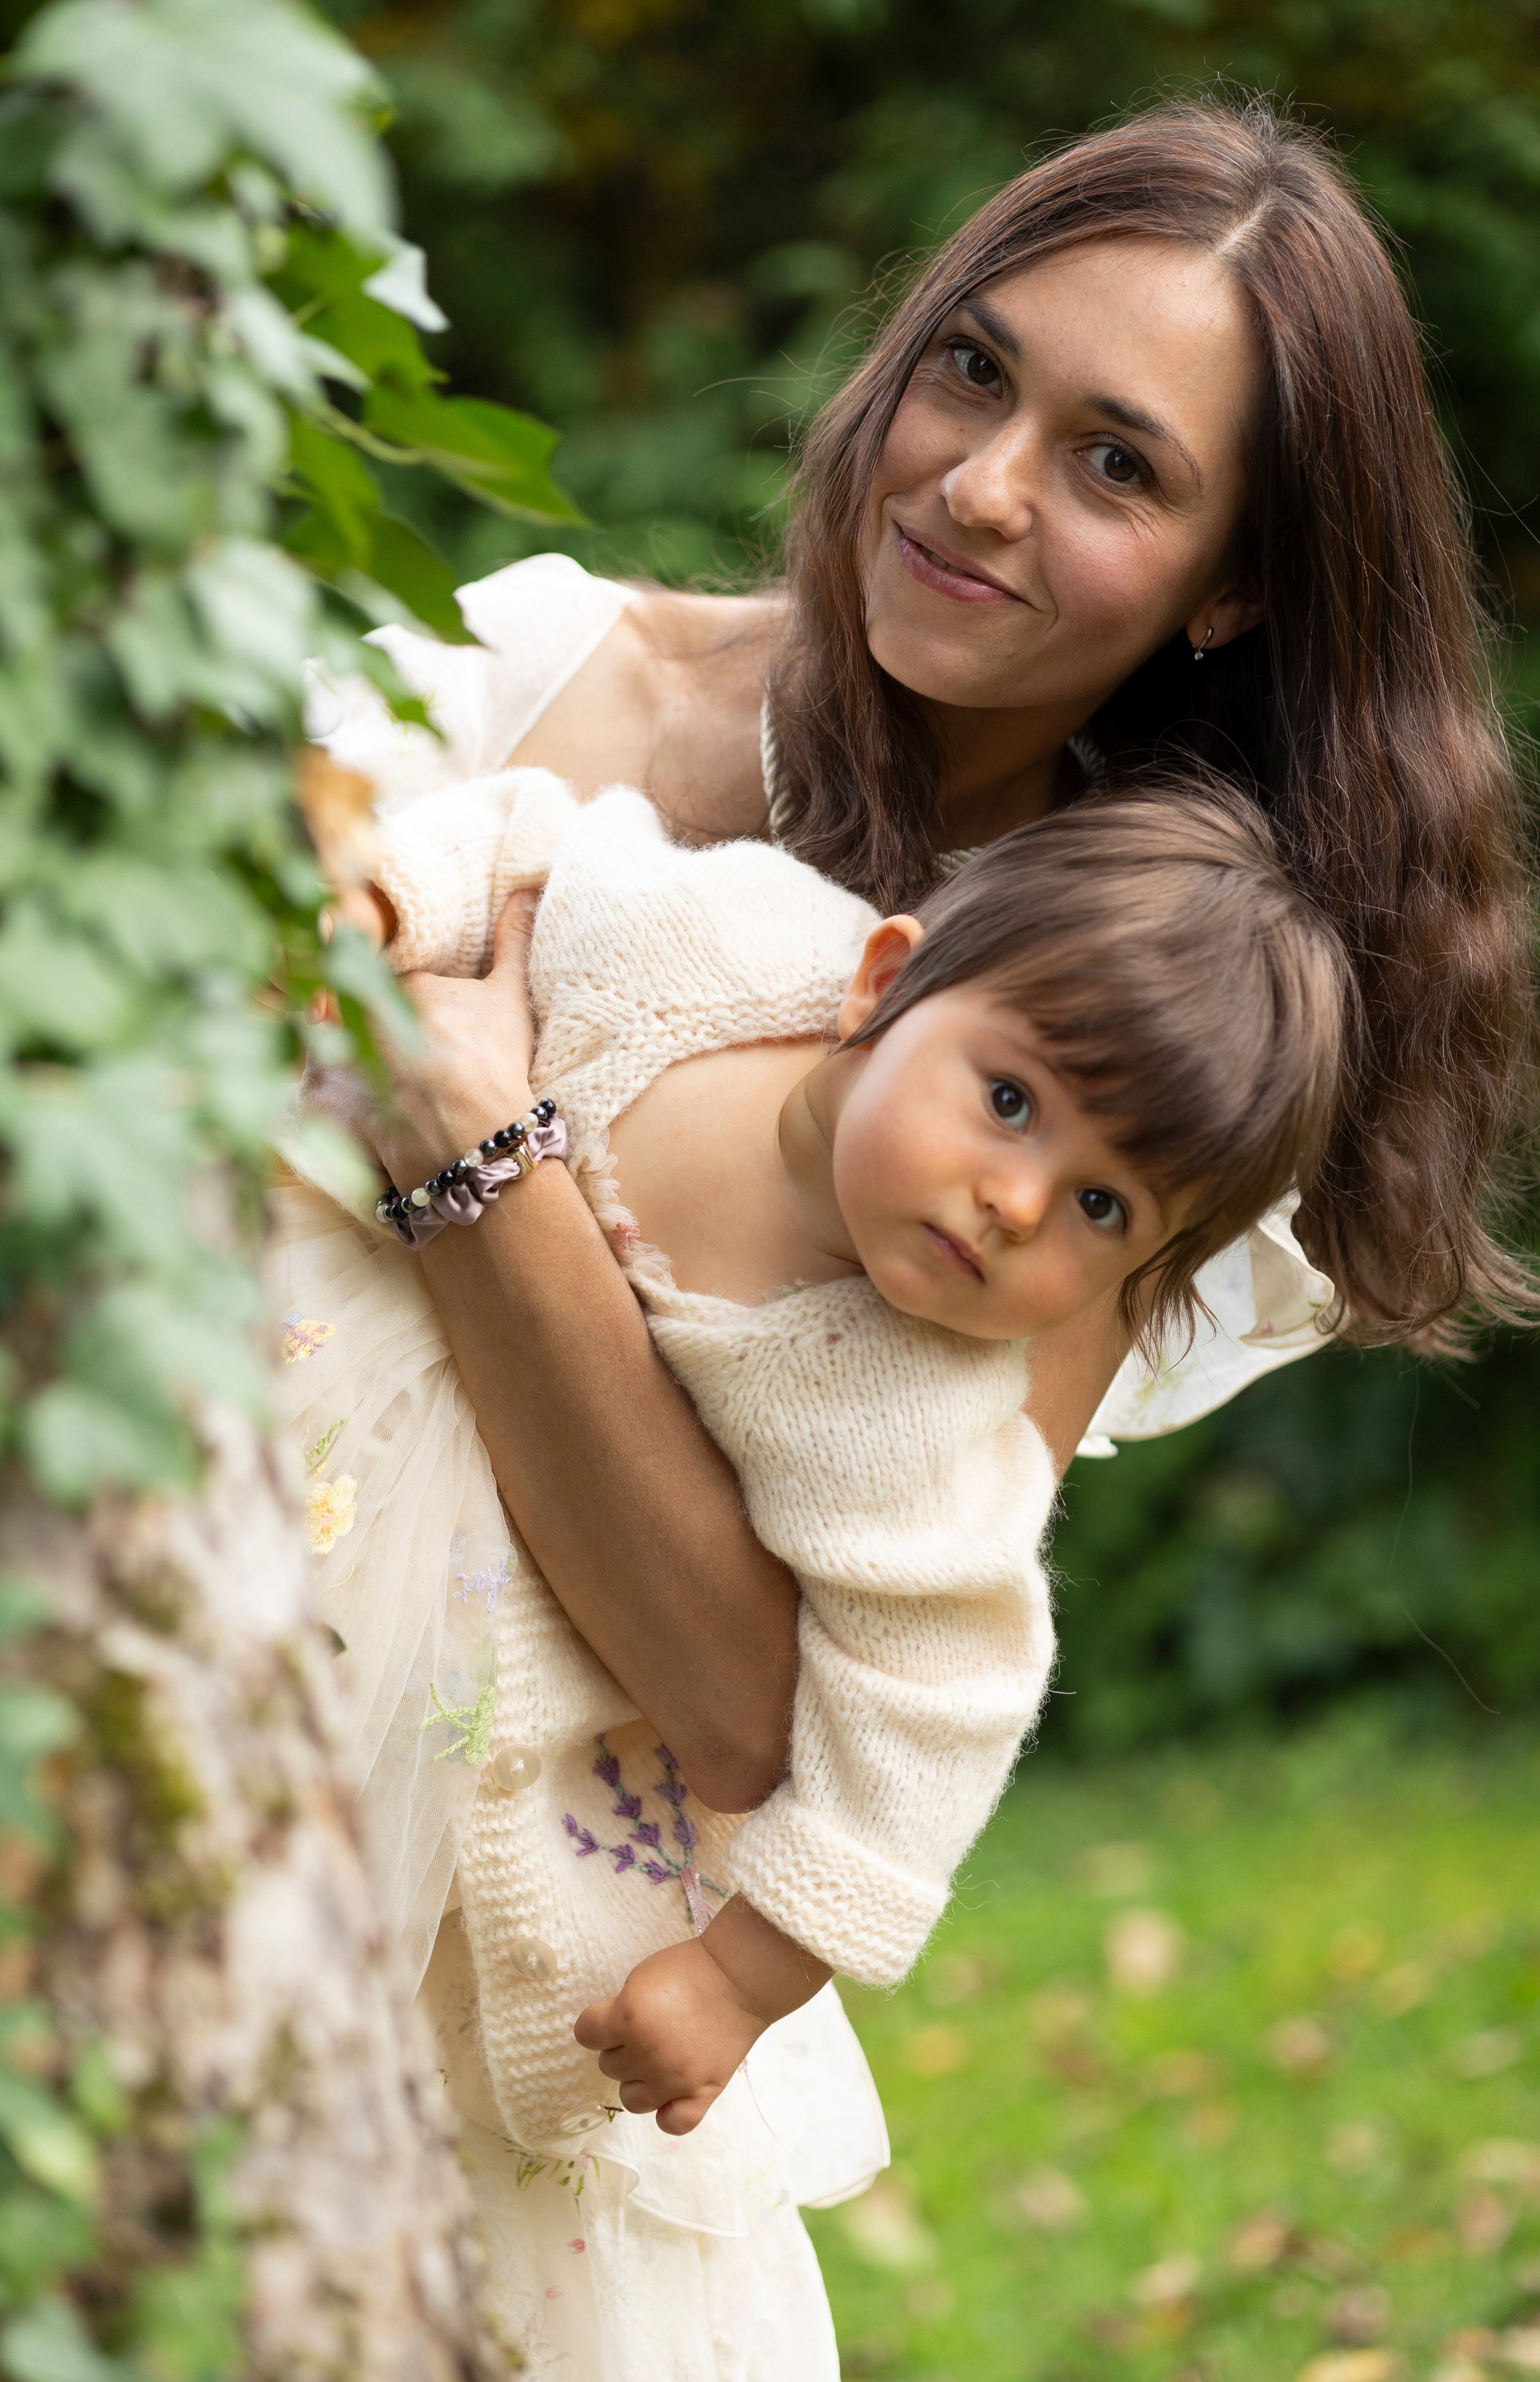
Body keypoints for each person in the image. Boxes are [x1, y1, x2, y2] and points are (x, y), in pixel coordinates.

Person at [307, 100, 1536, 1882]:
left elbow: (755, 1722)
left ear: (1237, 582)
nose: (980, 484)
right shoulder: (518, 679)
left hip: (491, 1902)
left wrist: (479, 1159)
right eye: (972, 370)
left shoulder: (1102, 1061)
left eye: (1120, 465)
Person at [273, 768, 1351, 2378]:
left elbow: (925, 1724)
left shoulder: (908, 1419)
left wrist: (739, 1980)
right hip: (305, 1424)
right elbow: (529, 848)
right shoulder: (721, 946)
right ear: (880, 982)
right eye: (1010, 1100)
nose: (1013, 1199)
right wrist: (389, 906)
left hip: (481, 1692)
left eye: (1100, 1207)